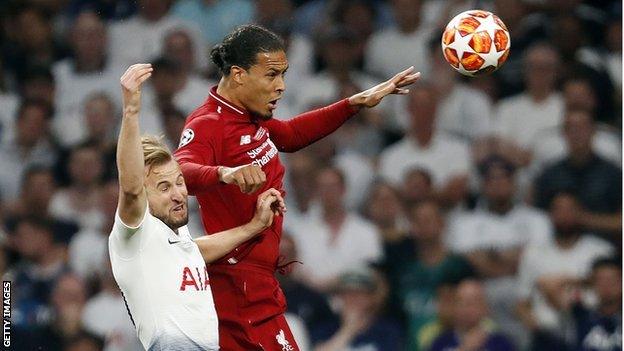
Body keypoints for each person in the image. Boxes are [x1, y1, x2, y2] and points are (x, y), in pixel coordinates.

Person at [174, 24, 419, 350]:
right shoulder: (208, 123)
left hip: (256, 280)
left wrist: (354, 103)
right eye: (272, 75)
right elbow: (180, 172)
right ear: (239, 75)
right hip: (237, 282)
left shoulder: (248, 116)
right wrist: (225, 173)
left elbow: (289, 135)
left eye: (284, 75)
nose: (281, 87)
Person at [109, 64, 285, 350]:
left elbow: (196, 250)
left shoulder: (174, 241)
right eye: (164, 188)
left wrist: (253, 227)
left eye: (180, 182)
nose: (179, 194)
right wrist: (130, 111)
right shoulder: (133, 235)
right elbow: (130, 189)